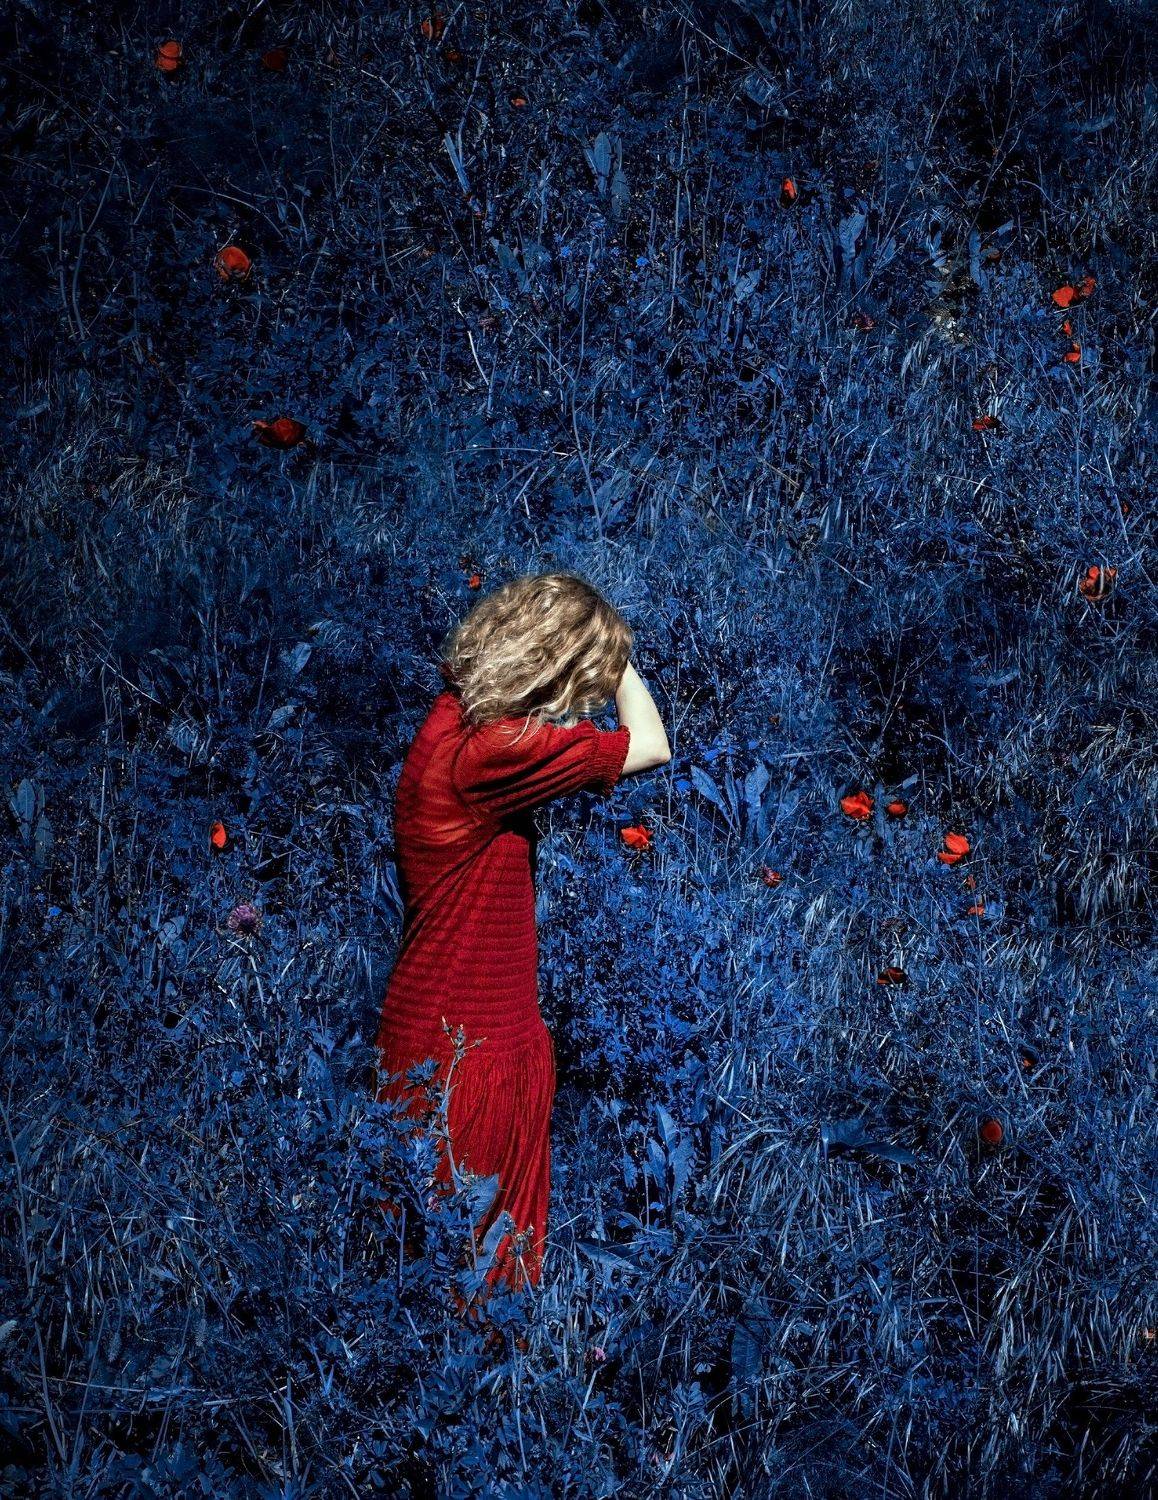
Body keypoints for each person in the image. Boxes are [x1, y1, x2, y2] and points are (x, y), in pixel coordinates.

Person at [375, 572, 670, 1307]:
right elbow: (652, 744)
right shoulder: (493, 755)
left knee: (422, 1273)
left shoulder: (452, 720)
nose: (580, 708)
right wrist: (614, 654)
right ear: (552, 664)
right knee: (474, 1289)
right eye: (580, 686)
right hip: (471, 1049)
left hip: (445, 1027)